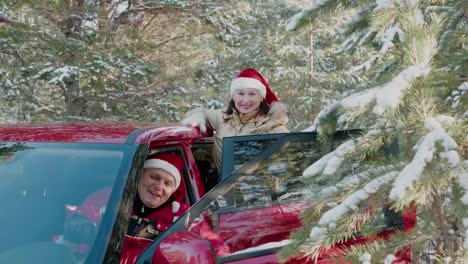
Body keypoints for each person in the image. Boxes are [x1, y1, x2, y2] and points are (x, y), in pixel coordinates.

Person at [57, 153, 190, 263]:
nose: (159, 187)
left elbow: (205, 247)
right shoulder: (106, 199)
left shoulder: (185, 216)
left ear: (173, 189)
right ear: (140, 175)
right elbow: (73, 243)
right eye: (154, 177)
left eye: (168, 183)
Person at [182, 68, 289, 173]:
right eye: (240, 93)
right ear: (233, 96)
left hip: (255, 189)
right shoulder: (222, 118)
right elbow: (203, 112)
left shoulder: (273, 127)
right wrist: (198, 116)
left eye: (252, 94)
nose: (245, 100)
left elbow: (289, 158)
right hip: (224, 189)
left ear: (261, 97)